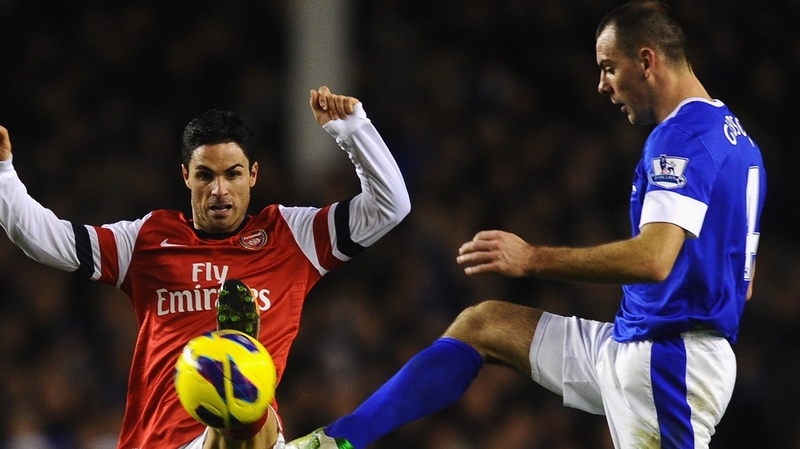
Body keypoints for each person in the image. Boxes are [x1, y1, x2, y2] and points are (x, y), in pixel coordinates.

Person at [285, 1, 766, 448]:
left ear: (646, 60)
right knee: (485, 324)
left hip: (668, 364)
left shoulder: (681, 135)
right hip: (638, 344)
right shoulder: (741, 146)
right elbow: (739, 285)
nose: (602, 85)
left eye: (607, 68)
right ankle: (335, 441)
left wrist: (532, 257)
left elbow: (655, 258)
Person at [0, 86, 411, 449]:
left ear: (253, 175)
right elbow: (42, 238)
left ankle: (234, 369)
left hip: (247, 436)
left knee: (254, 418)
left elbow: (391, 205)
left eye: (233, 174)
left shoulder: (291, 236)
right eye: (205, 175)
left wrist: (354, 131)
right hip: (160, 440)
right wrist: (3, 173)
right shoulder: (147, 240)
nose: (219, 190)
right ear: (185, 177)